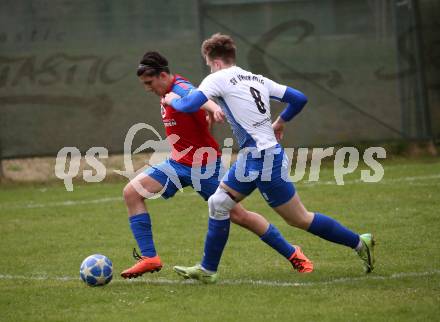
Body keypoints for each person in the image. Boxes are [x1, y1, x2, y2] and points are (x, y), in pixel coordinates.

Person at [164, 33, 375, 283]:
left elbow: (189, 105)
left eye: (209, 64)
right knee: (218, 203)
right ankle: (208, 270)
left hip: (264, 159)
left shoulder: (217, 77)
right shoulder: (256, 78)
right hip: (255, 156)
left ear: (216, 62)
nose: (209, 68)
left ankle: (359, 243)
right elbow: (299, 98)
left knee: (299, 219)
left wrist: (173, 99)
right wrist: (280, 121)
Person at [121, 51, 314, 280]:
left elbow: (198, 97)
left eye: (149, 83)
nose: (148, 88)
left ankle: (293, 254)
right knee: (132, 193)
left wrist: (213, 109)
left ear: (163, 75)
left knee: (240, 216)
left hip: (205, 167)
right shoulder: (168, 91)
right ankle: (150, 258)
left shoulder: (181, 89)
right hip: (177, 163)